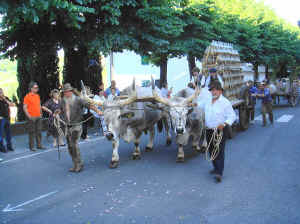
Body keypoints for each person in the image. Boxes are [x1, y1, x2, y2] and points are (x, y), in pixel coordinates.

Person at [54, 83, 102, 172]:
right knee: (69, 147)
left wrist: (97, 110)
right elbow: (60, 109)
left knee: (74, 145)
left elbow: (89, 105)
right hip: (67, 126)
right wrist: (57, 112)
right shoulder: (62, 101)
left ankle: (79, 164)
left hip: (77, 125)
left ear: (71, 91)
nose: (66, 93)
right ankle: (75, 164)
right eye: (65, 92)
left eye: (68, 91)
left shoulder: (78, 99)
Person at [204, 81, 236, 183]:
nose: (214, 92)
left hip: (220, 130)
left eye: (216, 90)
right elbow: (198, 105)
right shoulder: (208, 100)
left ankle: (219, 172)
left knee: (219, 150)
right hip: (209, 129)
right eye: (212, 90)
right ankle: (215, 167)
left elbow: (232, 116)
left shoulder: (225, 102)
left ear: (220, 91)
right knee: (211, 150)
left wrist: (225, 124)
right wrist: (192, 103)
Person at [23, 82, 45, 151]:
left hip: (38, 116)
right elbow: (24, 107)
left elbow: (39, 105)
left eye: (37, 88)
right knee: (31, 132)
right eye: (35, 88)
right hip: (31, 117)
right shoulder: (27, 96)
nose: (37, 89)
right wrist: (29, 116)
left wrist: (41, 113)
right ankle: (32, 147)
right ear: (31, 88)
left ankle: (39, 145)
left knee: (39, 131)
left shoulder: (37, 96)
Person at [0, 88, 15, 152]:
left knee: (8, 133)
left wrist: (5, 99)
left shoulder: (6, 98)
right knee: (0, 135)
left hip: (7, 118)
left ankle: (9, 146)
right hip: (1, 119)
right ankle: (1, 147)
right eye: (0, 92)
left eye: (2, 92)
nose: (1, 94)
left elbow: (12, 105)